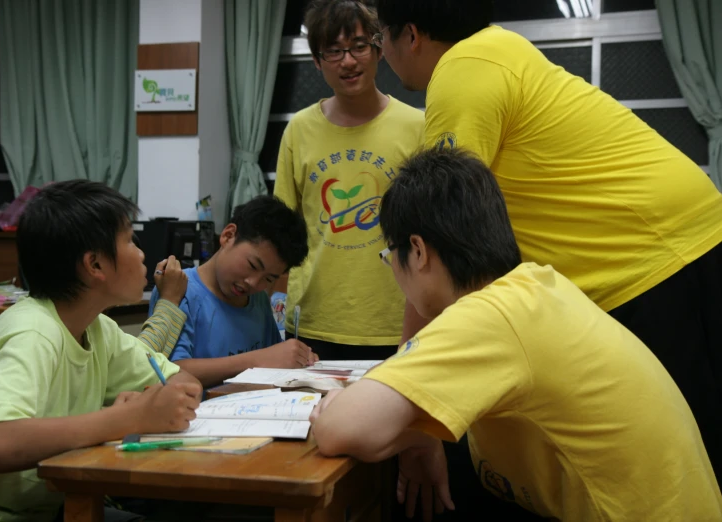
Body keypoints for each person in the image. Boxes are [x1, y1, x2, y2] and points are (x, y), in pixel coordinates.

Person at [374, 0, 722, 477]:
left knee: (678, 460)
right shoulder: (500, 47)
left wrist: (404, 385)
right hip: (689, 235)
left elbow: (433, 239)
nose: (381, 56)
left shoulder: (461, 71)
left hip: (651, 260)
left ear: (410, 35)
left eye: (379, 40)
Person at [310, 147, 722, 521]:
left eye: (389, 257)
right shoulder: (536, 287)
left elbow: (343, 429)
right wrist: (419, 439)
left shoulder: (489, 317)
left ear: (417, 251)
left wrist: (333, 403)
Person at [0, 180, 202, 522]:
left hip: (44, 507)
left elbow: (186, 383)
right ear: (95, 265)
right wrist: (125, 418)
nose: (141, 253)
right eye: (129, 240)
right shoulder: (34, 332)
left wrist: (151, 403)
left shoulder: (98, 328)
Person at [273, 0, 424, 361]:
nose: (348, 61)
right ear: (316, 61)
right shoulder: (299, 130)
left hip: (396, 323)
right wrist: (273, 321)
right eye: (334, 51)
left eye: (358, 46)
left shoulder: (416, 127)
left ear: (379, 50)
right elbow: (281, 232)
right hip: (311, 323)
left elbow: (432, 233)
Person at [148, 195, 316, 388]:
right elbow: (169, 372)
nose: (253, 283)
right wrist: (257, 359)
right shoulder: (177, 288)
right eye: (252, 265)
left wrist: (297, 357)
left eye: (268, 279)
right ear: (228, 236)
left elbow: (273, 359)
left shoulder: (257, 298)